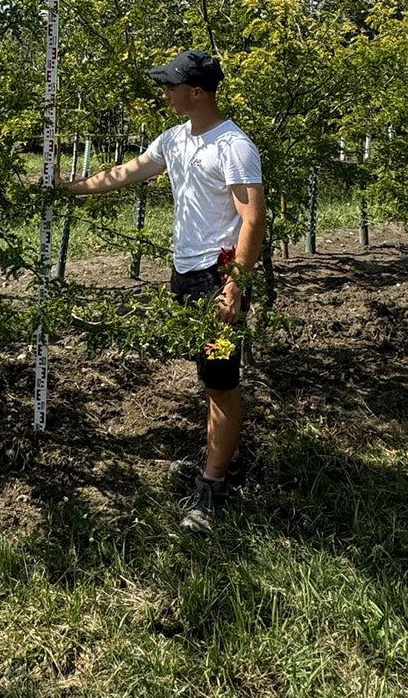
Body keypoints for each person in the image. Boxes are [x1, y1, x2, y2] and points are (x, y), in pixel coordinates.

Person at [57, 48, 266, 535]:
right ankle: (218, 456)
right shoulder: (174, 139)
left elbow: (253, 220)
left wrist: (236, 285)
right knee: (209, 375)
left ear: (196, 92)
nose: (165, 93)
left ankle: (214, 484)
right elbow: (128, 172)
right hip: (185, 276)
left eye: (171, 86)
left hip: (217, 280)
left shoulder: (233, 145)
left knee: (221, 380)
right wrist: (69, 187)